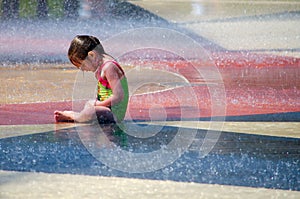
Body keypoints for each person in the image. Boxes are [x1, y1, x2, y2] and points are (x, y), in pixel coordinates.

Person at [54, 35, 129, 124]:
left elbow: (119, 96)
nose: (82, 69)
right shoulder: (101, 67)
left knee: (92, 111)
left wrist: (98, 104)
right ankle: (81, 115)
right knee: (90, 106)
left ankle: (75, 116)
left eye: (82, 65)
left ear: (92, 55)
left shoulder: (109, 67)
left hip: (115, 115)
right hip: (107, 109)